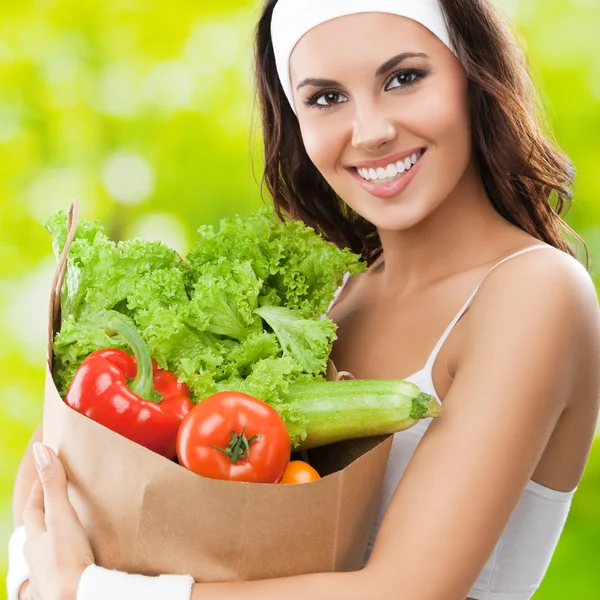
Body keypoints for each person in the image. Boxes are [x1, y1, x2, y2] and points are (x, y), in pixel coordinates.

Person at [8, 1, 600, 599]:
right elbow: (71, 465)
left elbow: (408, 590)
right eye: (326, 98)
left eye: (404, 78)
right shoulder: (319, 305)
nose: (370, 131)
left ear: (474, 75)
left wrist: (92, 591)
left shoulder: (536, 292)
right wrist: (33, 560)